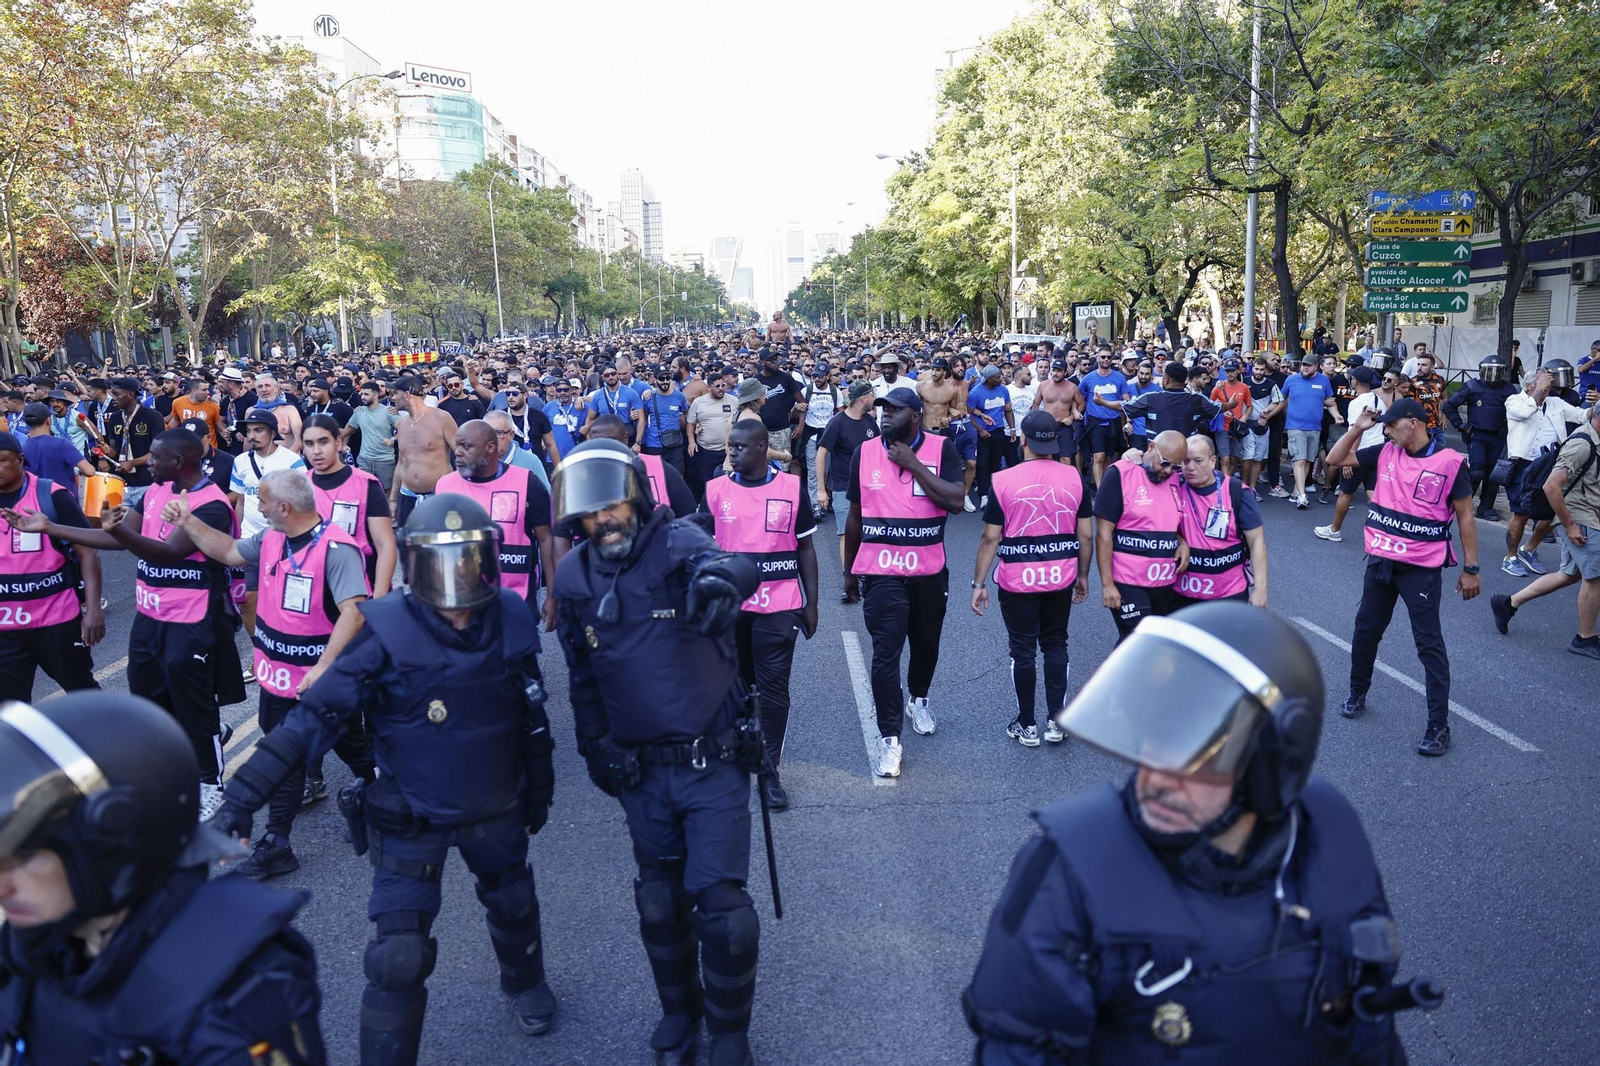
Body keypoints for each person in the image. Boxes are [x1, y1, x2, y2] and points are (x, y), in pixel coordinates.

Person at [965, 603, 1411, 1064]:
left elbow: (1370, 1032)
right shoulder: (1068, 873)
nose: (1156, 778)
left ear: (1270, 765)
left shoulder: (1328, 841)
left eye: (1198, 758)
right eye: (1152, 742)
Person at [211, 494, 559, 1063]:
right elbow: (310, 721)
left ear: (489, 563)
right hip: (410, 812)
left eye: (468, 562)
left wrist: (538, 790)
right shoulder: (386, 631)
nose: (456, 582)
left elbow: (531, 714)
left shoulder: (512, 617)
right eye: (441, 566)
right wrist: (240, 803)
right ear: (416, 570)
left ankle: (524, 981)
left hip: (494, 803)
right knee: (396, 959)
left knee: (514, 902)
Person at [549, 439, 762, 1066]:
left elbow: (729, 563)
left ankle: (729, 1034)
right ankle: (679, 1012)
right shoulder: (575, 576)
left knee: (723, 911)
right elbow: (582, 678)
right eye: (589, 515)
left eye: (612, 507)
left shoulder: (678, 545)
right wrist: (595, 750)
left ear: (637, 498)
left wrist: (724, 581)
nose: (602, 521)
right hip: (641, 770)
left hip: (712, 761)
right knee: (660, 901)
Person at [0, 691, 326, 1064]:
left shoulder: (230, 998)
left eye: (23, 857)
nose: (2, 886)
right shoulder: (36, 945)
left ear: (112, 844)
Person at [7, 429, 246, 816]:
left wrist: (115, 528)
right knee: (149, 699)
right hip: (150, 616)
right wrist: (50, 528)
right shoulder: (155, 493)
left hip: (192, 619)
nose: (147, 463)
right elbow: (119, 540)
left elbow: (168, 552)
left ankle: (209, 782)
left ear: (180, 462)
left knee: (195, 707)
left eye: (155, 458)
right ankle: (172, 769)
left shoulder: (211, 504)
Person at [165, 469, 370, 878]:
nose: (255, 507)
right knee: (290, 752)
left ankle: (383, 789)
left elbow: (355, 611)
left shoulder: (336, 548)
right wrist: (188, 522)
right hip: (278, 676)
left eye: (260, 500)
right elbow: (228, 551)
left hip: (318, 680)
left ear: (284, 507)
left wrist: (324, 667)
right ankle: (278, 842)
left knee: (346, 743)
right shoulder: (272, 537)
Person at [1325, 398, 1479, 756]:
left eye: (1391, 425)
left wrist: (1471, 569)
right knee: (1366, 630)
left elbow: (1466, 517)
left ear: (1413, 422)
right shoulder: (1384, 451)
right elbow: (1335, 460)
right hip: (1381, 561)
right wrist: (1357, 428)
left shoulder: (1451, 463)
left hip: (1421, 569)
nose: (1386, 430)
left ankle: (1438, 727)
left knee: (1429, 645)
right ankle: (1357, 692)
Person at [843, 387, 966, 779]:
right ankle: (890, 739)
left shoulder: (941, 449)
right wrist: (849, 571)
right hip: (882, 571)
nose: (885, 416)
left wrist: (913, 464)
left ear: (915, 416)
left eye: (894, 411)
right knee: (885, 651)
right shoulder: (865, 453)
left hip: (929, 570)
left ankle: (919, 700)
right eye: (882, 410)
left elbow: (956, 501)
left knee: (925, 645)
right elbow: (856, 515)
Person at [703, 420, 819, 812]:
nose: (731, 453)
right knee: (734, 687)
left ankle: (769, 770)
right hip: (730, 609)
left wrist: (811, 602)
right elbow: (700, 549)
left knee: (772, 690)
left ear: (762, 448)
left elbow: (805, 548)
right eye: (729, 447)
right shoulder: (715, 490)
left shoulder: (790, 488)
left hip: (779, 604)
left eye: (738, 447)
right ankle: (735, 755)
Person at [970, 410, 1090, 747]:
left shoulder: (1003, 479)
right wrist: (1083, 575)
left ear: (1023, 440)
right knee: (1055, 643)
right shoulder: (1074, 478)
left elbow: (990, 537)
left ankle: (1027, 724)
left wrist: (978, 585)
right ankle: (1056, 720)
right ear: (1054, 442)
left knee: (1022, 651)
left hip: (1016, 579)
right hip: (1060, 575)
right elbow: (1087, 535)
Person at [0, 430, 104, 702]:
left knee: (83, 694)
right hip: (6, 629)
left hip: (56, 621)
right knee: (10, 708)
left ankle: (110, 743)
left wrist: (93, 611)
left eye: (2, 460)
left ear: (20, 459)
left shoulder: (52, 496)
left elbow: (88, 553)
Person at [1491, 401, 1600, 658]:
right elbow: (1552, 486)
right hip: (1579, 518)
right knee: (1595, 578)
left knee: (1570, 574)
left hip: (1588, 515)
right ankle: (1585, 639)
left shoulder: (1593, 441)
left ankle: (1508, 603)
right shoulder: (1582, 444)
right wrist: (1570, 525)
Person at [436, 420, 558, 628]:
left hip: (516, 600)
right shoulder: (444, 485)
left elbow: (547, 539)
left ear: (490, 447)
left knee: (518, 659)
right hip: (462, 604)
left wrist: (554, 595)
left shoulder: (527, 482)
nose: (458, 452)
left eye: (467, 446)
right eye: (457, 445)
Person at [1094, 431, 1189, 643]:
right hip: (1128, 581)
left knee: (1155, 645)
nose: (1168, 471)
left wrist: (1182, 542)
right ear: (1152, 447)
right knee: (1137, 642)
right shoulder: (1119, 473)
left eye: (1175, 466)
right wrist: (1107, 584)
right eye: (1164, 463)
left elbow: (1168, 519)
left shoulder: (1175, 479)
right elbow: (1103, 534)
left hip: (1164, 581)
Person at [230, 408, 309, 665]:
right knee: (248, 602)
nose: (252, 435)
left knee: (284, 600)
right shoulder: (240, 461)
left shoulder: (291, 460)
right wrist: (238, 536)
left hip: (284, 541)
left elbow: (304, 502)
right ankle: (261, 653)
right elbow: (240, 501)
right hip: (251, 541)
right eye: (249, 431)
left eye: (258, 430)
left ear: (273, 433)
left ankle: (288, 650)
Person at [1500, 364, 1587, 577]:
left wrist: (1597, 406)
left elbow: (1582, 416)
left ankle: (1529, 549)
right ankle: (1510, 557)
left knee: (1555, 511)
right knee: (1520, 513)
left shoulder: (1555, 402)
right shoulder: (1515, 400)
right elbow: (1524, 413)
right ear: (1529, 384)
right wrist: (1539, 390)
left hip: (1550, 464)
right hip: (1524, 465)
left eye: (1549, 384)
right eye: (1544, 384)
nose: (1549, 387)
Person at [1172, 434, 1267, 607]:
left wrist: (1260, 590)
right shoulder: (1173, 487)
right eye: (1185, 461)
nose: (1190, 468)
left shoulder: (1236, 491)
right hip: (1183, 595)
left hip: (1230, 594)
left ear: (1212, 460)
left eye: (1198, 461)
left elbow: (1256, 541)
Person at [1315, 366, 1387, 542]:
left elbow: (1357, 431)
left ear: (1354, 381)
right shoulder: (1379, 400)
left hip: (1359, 453)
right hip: (1377, 452)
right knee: (1372, 492)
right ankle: (1388, 530)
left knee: (1346, 493)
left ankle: (1334, 530)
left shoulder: (1356, 403)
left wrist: (1349, 458)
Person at [1445, 355, 1516, 519]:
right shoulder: (1472, 386)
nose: (1492, 375)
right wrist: (1460, 425)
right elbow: (1450, 406)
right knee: (1477, 471)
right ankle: (1463, 504)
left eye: (1496, 371)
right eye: (1489, 371)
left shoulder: (1508, 390)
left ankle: (1485, 509)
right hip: (1477, 435)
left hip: (1498, 436)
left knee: (1493, 474)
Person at [390, 375, 458, 528]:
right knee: (409, 547)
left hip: (438, 497)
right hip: (408, 497)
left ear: (407, 395)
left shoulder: (442, 418)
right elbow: (402, 462)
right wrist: (393, 499)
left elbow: (461, 454)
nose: (393, 398)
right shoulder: (401, 424)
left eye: (395, 394)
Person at [1280, 353, 1341, 508]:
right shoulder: (1291, 380)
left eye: (1308, 365)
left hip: (1315, 427)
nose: (1305, 368)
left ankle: (1296, 491)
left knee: (1308, 460)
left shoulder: (1324, 381)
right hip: (1295, 426)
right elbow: (1281, 399)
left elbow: (1330, 402)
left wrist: (1337, 416)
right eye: (1303, 365)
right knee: (1299, 460)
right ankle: (1302, 495)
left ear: (1316, 367)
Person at [99, 376, 166, 496]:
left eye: (117, 394)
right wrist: (105, 451)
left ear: (130, 395)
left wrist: (132, 463)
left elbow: (158, 453)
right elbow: (114, 451)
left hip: (147, 482)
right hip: (121, 483)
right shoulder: (115, 417)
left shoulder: (153, 416)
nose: (112, 398)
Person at [20, 401, 95, 494]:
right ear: (48, 420)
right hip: (63, 502)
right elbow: (89, 471)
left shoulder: (21, 448)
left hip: (36, 503)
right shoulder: (61, 444)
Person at [346, 380, 401, 493]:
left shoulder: (388, 411)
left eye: (366, 394)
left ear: (375, 395)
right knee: (364, 490)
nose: (363, 397)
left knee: (386, 490)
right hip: (364, 459)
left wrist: (393, 440)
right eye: (362, 394)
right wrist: (343, 444)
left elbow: (404, 429)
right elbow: (348, 430)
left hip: (384, 459)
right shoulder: (359, 411)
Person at [688, 374, 736, 498]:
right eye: (717, 386)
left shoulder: (734, 401)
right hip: (706, 450)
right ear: (709, 387)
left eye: (723, 385)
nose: (721, 389)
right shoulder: (699, 402)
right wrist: (691, 442)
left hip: (728, 450)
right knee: (708, 482)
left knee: (728, 482)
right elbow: (690, 423)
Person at [252, 375, 303, 454]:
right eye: (260, 387)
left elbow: (300, 440)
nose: (264, 389)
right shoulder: (251, 411)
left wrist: (284, 459)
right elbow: (248, 441)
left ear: (276, 389)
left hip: (287, 461)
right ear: (256, 392)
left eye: (267, 385)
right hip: (260, 462)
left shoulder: (289, 409)